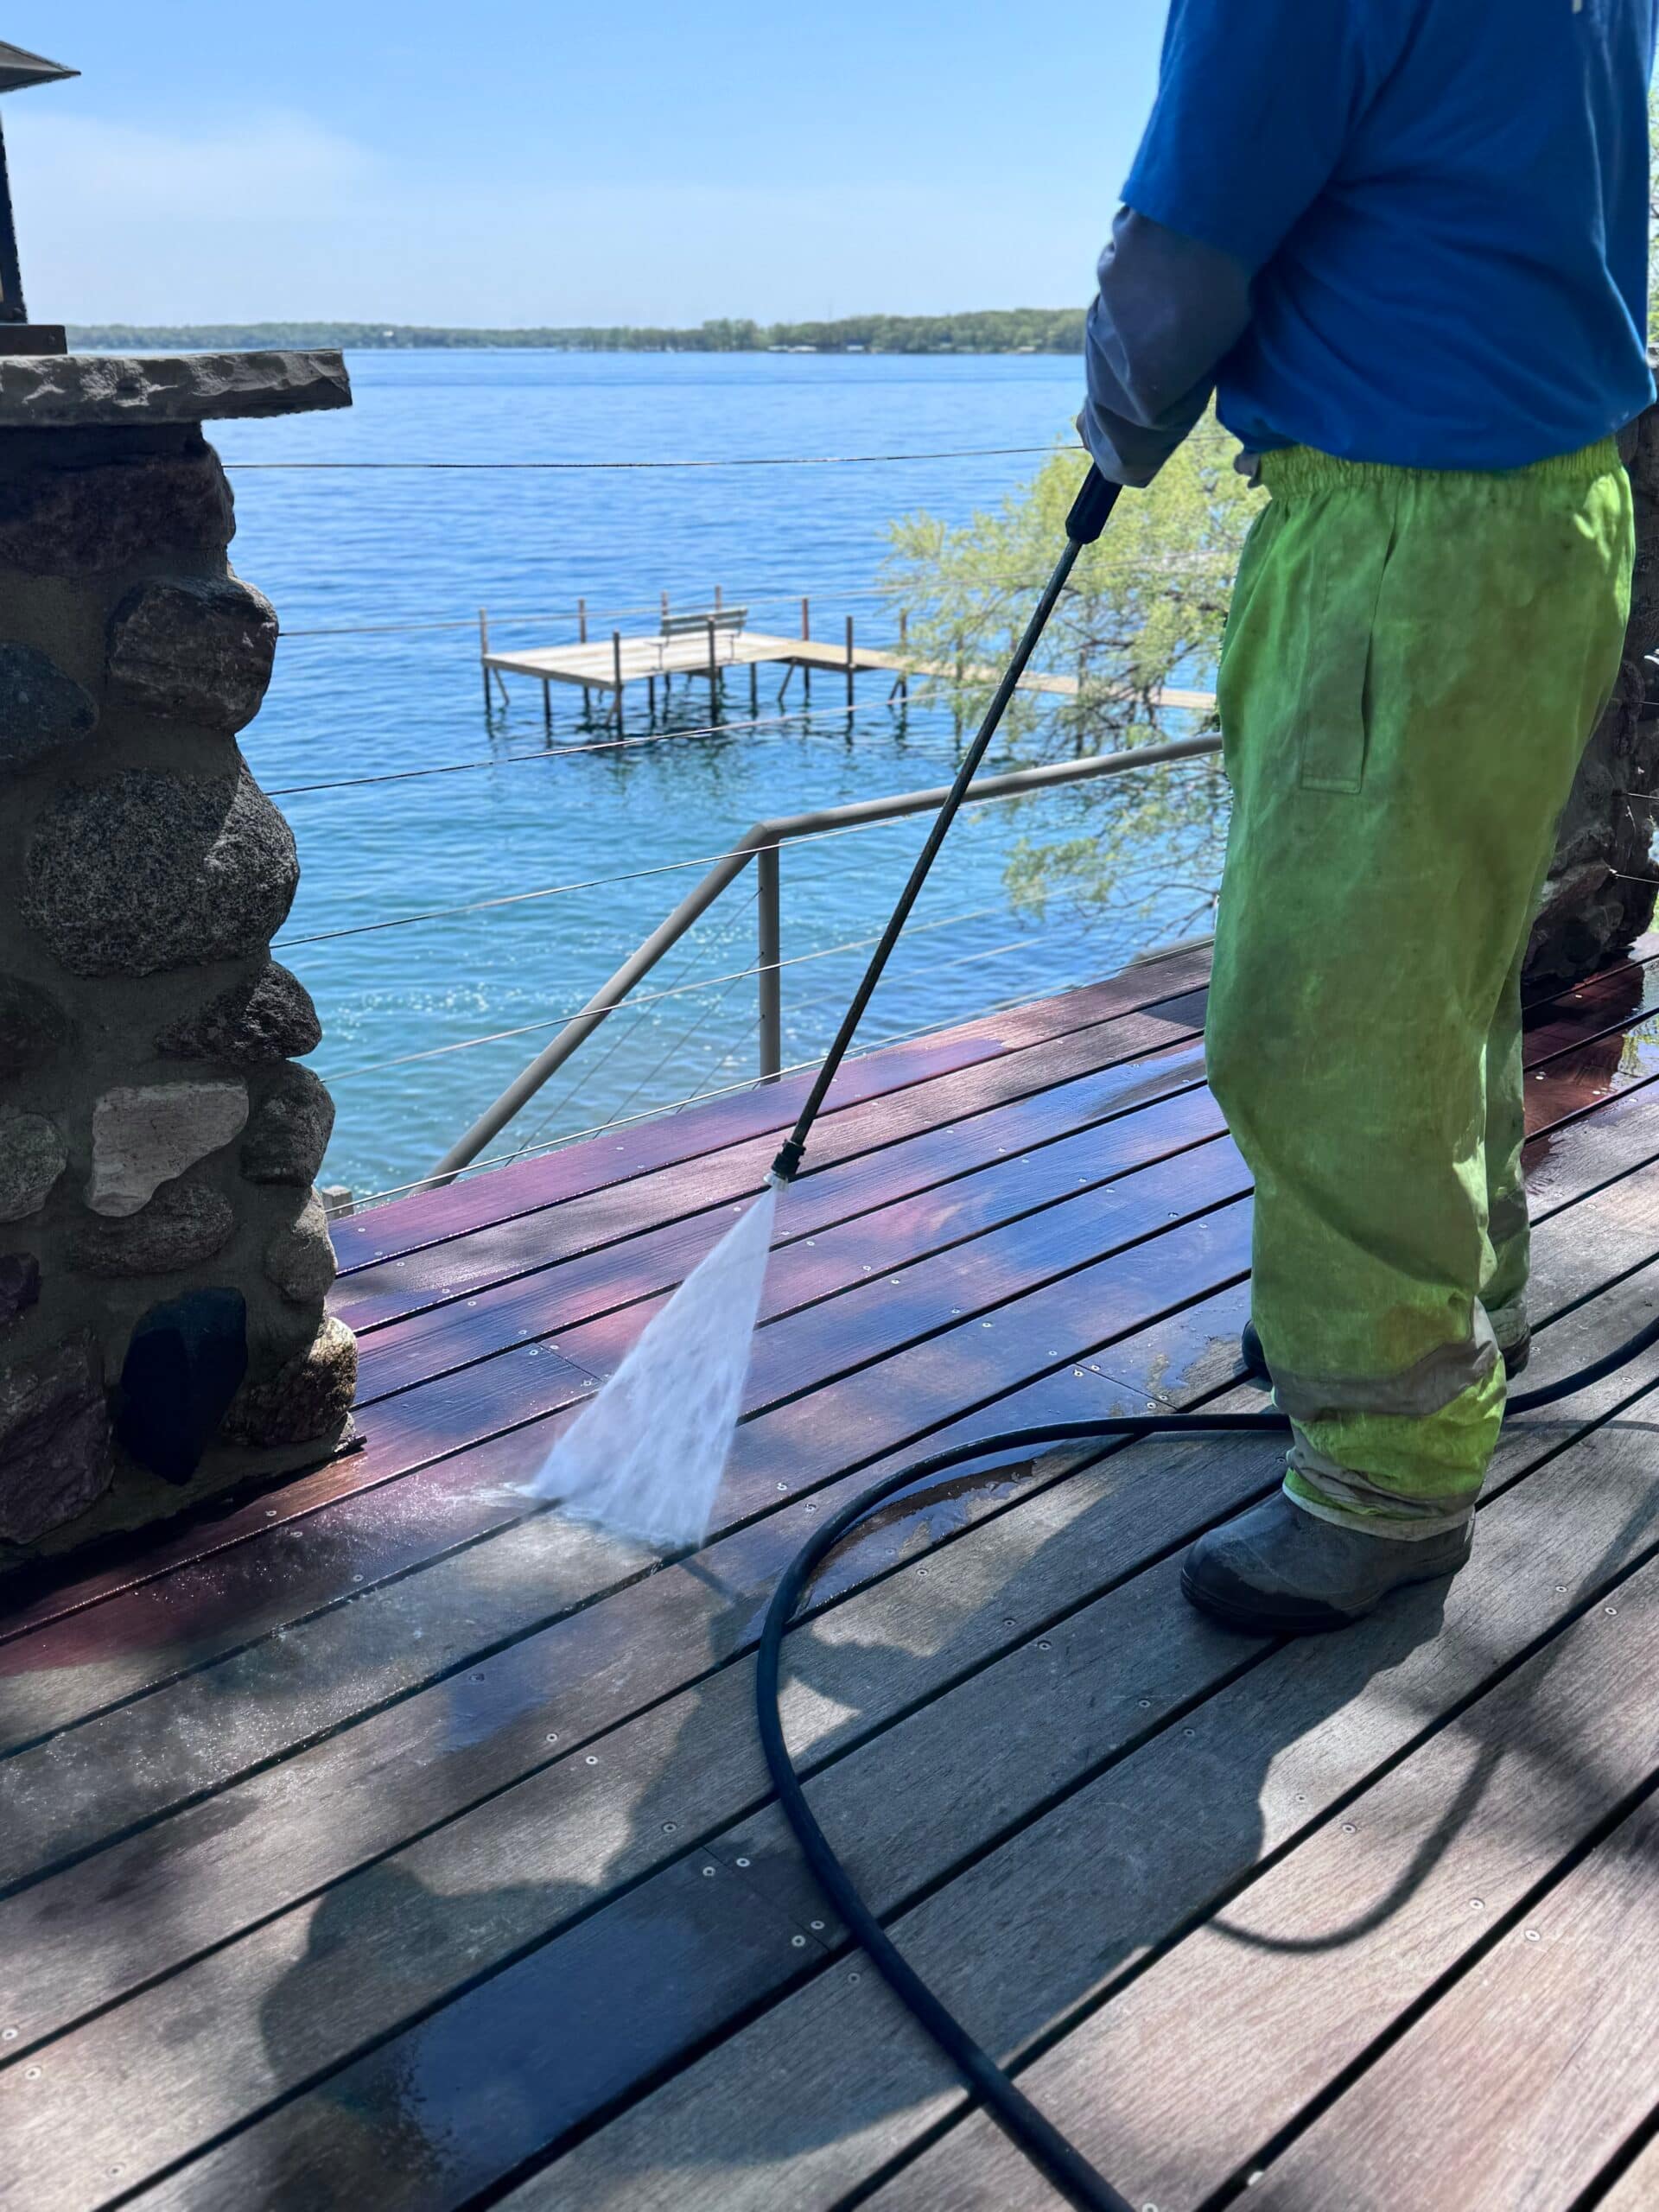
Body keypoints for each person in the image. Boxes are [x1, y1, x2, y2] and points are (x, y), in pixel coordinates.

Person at [1078, 0, 1657, 1635]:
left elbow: (1182, 250)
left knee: (1314, 1020)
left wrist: (1118, 429)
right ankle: (1460, 1317)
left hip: (1403, 531)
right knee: (1442, 968)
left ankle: (1386, 1479)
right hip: (1558, 510)